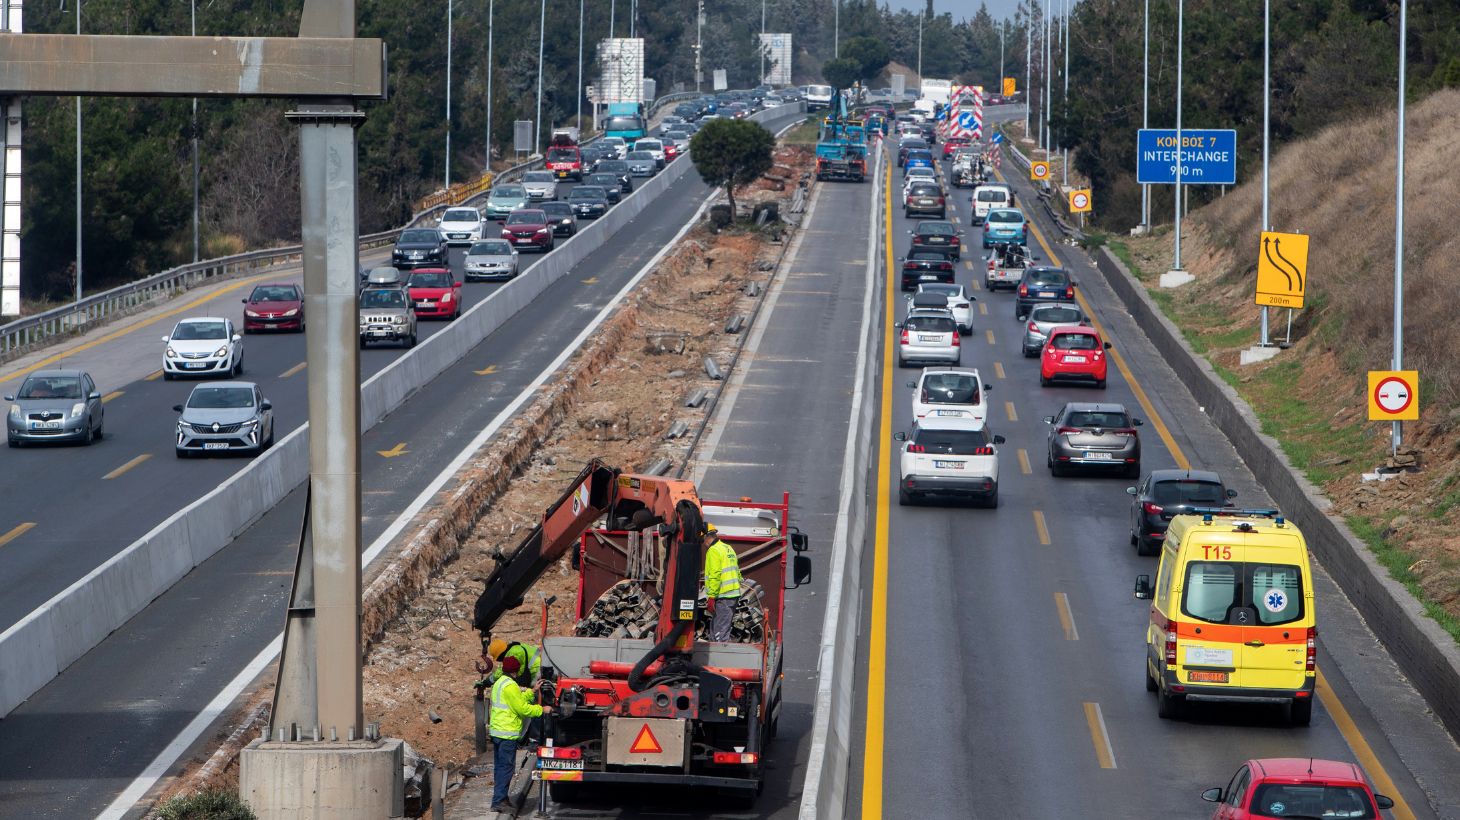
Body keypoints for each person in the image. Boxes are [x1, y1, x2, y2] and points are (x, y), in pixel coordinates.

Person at [488, 655, 551, 812]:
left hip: (497, 733)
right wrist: (541, 710)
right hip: (506, 734)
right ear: (516, 671)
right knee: (506, 768)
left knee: (500, 768)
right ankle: (499, 801)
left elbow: (516, 700)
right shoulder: (511, 686)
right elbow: (522, 709)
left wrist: (532, 691)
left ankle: (499, 798)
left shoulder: (500, 683)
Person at [702, 523, 743, 641]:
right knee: (718, 627)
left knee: (720, 631)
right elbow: (736, 570)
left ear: (706, 537)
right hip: (732, 594)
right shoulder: (727, 547)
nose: (703, 544)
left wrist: (711, 597)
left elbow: (715, 575)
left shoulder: (713, 550)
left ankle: (720, 655)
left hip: (723, 595)